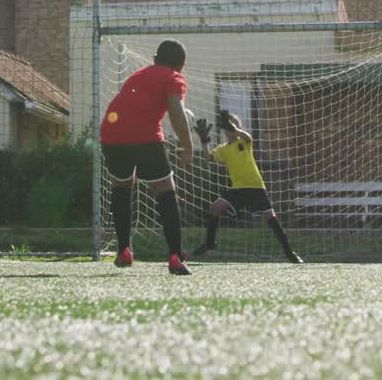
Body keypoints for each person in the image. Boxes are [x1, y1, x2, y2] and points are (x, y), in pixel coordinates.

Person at [100, 39, 195, 276]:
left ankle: (123, 250)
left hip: (111, 134)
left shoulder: (138, 74)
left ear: (154, 59)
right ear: (181, 66)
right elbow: (176, 110)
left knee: (121, 185)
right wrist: (187, 145)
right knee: (166, 190)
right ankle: (175, 256)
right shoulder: (174, 77)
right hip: (144, 136)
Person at [190, 110, 302, 264]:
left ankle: (290, 254)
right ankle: (210, 243)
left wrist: (234, 129)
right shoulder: (223, 149)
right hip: (238, 189)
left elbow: (247, 137)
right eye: (227, 127)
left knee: (271, 218)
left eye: (233, 127)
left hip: (256, 187)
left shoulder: (244, 142)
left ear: (237, 128)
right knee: (215, 207)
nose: (229, 131)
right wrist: (204, 141)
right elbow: (208, 157)